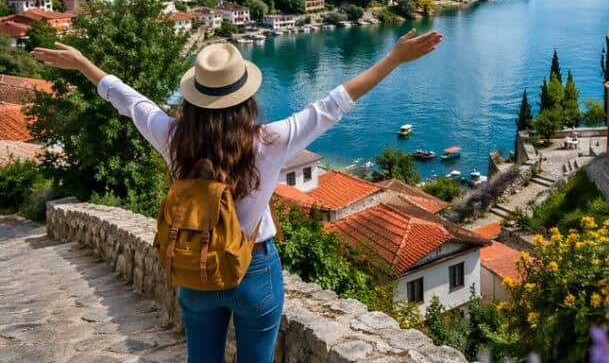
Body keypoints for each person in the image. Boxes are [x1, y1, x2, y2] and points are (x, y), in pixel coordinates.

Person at [32, 28, 443, 363]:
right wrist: (394, 58)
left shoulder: (173, 138)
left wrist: (83, 63)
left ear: (194, 97)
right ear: (244, 97)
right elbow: (335, 103)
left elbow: (126, 99)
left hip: (196, 266)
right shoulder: (269, 140)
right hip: (255, 268)